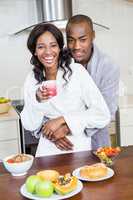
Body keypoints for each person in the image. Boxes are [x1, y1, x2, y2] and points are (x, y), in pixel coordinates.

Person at [21, 23, 110, 157]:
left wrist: (64, 122)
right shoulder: (32, 79)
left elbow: (102, 114)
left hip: (77, 147)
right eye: (41, 47)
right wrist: (37, 100)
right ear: (34, 51)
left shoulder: (77, 72)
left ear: (60, 47)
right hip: (47, 150)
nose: (48, 52)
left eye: (53, 45)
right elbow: (30, 125)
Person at [53, 14, 119, 150]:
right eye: (71, 40)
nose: (76, 46)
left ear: (93, 36)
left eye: (83, 39)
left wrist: (68, 127)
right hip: (61, 142)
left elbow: (106, 111)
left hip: (95, 142)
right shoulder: (57, 61)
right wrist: (55, 133)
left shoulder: (108, 66)